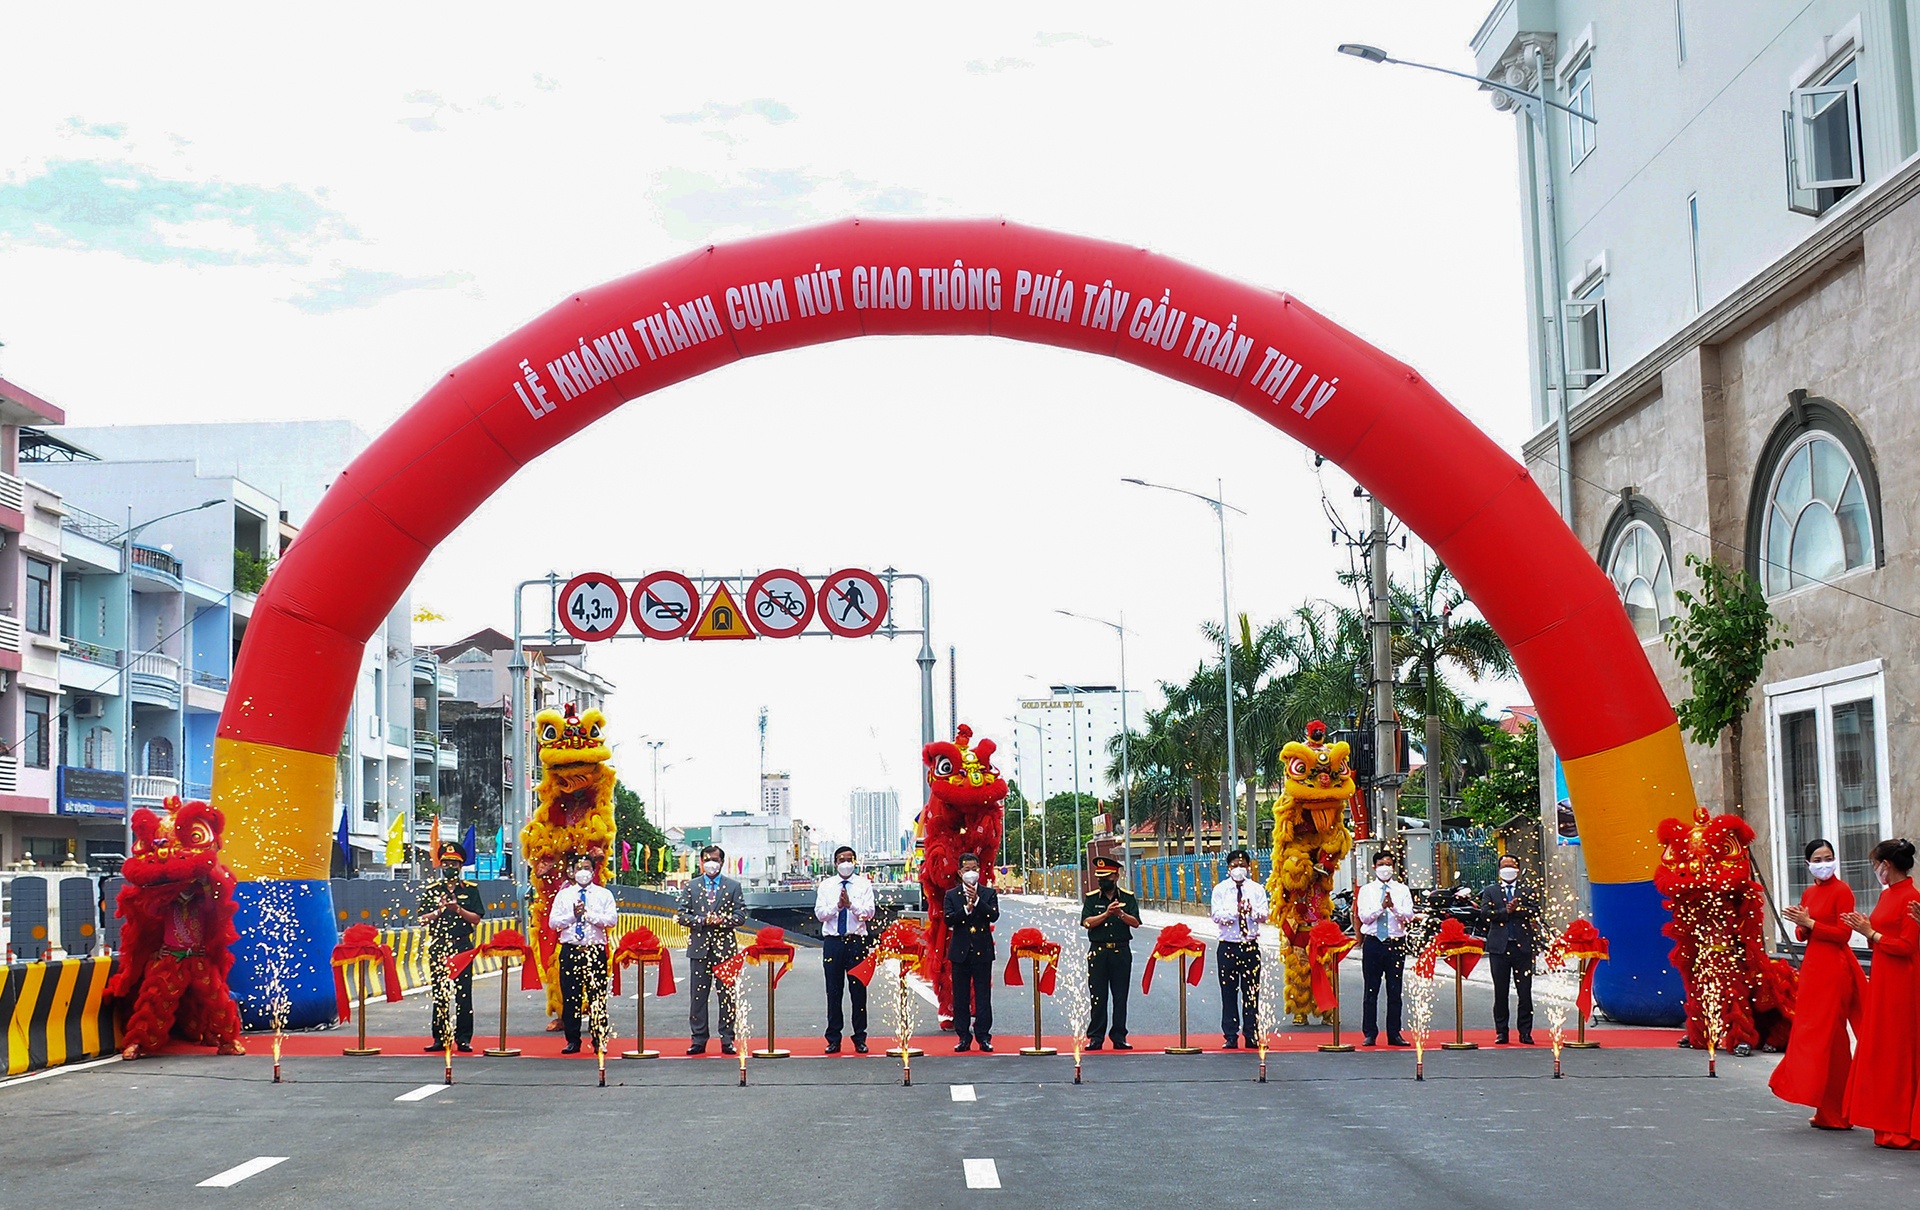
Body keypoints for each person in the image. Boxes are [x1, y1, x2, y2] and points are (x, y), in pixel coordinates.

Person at [1770, 838, 1866, 1130]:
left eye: (1828, 858)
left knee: (1833, 1038)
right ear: (1808, 864)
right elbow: (1803, 934)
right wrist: (1802, 923)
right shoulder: (1810, 891)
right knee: (1813, 1037)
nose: (1824, 864)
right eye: (1818, 859)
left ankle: (1839, 1110)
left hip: (1835, 969)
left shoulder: (1842, 891)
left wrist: (1810, 923)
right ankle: (1824, 1106)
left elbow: (1843, 935)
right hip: (1814, 968)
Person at [1841, 838, 1920, 1149]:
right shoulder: (1888, 895)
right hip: (1884, 977)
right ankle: (1885, 1120)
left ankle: (1902, 1124)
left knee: (1899, 1051)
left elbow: (1907, 946)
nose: (1875, 869)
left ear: (1885, 865)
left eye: (1875, 864)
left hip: (1902, 982)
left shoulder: (1911, 897)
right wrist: (1869, 931)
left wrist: (1870, 933)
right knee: (1883, 1049)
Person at [677, 844, 746, 1055]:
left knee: (727, 995)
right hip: (699, 948)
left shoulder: (733, 886)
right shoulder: (692, 886)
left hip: (725, 950)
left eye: (715, 860)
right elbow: (682, 915)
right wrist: (701, 920)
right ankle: (698, 1039)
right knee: (698, 996)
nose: (711, 863)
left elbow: (741, 916)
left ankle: (727, 1039)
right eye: (707, 859)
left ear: (722, 862)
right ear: (701, 862)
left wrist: (722, 921)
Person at [547, 854, 617, 1054]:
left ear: (593, 871)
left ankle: (599, 1038)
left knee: (597, 997)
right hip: (571, 950)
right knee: (571, 997)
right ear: (572, 872)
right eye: (579, 868)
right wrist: (573, 915)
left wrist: (587, 915)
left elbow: (611, 920)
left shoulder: (604, 894)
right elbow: (553, 922)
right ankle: (573, 1040)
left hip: (594, 950)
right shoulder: (564, 895)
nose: (583, 872)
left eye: (587, 868)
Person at [421, 840, 483, 1053]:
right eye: (446, 863)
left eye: (454, 864)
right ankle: (440, 1037)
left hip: (462, 946)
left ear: (460, 866)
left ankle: (463, 1038)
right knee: (440, 993)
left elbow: (476, 919)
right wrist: (438, 911)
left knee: (463, 994)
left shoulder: (470, 890)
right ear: (441, 865)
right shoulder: (432, 890)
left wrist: (458, 909)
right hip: (439, 945)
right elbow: (422, 919)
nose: (450, 868)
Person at [816, 844, 876, 1054]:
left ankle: (860, 1037)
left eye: (849, 859)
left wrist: (851, 906)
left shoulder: (863, 884)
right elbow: (820, 914)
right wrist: (838, 906)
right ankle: (833, 1038)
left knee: (858, 991)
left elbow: (869, 913)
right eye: (842, 860)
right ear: (835, 863)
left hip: (856, 942)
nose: (846, 863)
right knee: (833, 991)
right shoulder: (826, 886)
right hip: (833, 943)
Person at [1477, 853, 1540, 1045]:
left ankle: (1525, 1032)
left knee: (1525, 991)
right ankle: (1502, 1032)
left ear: (1518, 869)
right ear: (1499, 870)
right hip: (1499, 948)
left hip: (1522, 947)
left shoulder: (1527, 890)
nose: (1508, 869)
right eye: (1504, 866)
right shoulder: (1491, 891)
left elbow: (1535, 911)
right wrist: (1506, 911)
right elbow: (1485, 914)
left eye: (1511, 866)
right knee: (1500, 991)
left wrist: (1518, 909)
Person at [1210, 848, 1268, 1049]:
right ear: (1228, 868)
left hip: (1250, 946)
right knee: (1228, 991)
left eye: (1242, 865)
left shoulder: (1256, 889)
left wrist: (1251, 911)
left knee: (1251, 992)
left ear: (1249, 867)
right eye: (1234, 866)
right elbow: (1216, 915)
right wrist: (1236, 912)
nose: (1238, 869)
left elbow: (1264, 915)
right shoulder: (1220, 889)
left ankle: (1251, 1033)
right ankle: (1230, 1034)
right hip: (1228, 946)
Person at [1355, 851, 1415, 1047]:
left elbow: (1409, 916)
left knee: (1395, 990)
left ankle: (1394, 1033)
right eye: (1381, 864)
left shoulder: (1402, 890)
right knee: (1371, 990)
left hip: (1396, 943)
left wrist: (1393, 907)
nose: (1385, 868)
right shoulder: (1367, 890)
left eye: (1389, 864)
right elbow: (1364, 917)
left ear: (1394, 867)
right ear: (1374, 867)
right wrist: (1381, 907)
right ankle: (1370, 1033)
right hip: (1373, 943)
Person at [1082, 854, 1140, 1050]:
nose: (1102, 881)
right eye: (1099, 878)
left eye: (1106, 877)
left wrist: (1120, 914)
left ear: (1116, 876)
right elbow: (1087, 922)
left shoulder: (1127, 898)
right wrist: (1106, 914)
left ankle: (1119, 1036)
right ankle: (1096, 1037)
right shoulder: (1092, 898)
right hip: (1098, 952)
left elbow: (1136, 922)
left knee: (1120, 996)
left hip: (1120, 951)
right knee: (1097, 996)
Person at [943, 852, 999, 1051]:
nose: (971, 873)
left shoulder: (988, 893)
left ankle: (983, 1036)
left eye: (974, 869)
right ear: (960, 872)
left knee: (983, 996)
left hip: (982, 950)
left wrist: (977, 902)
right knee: (961, 997)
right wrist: (966, 909)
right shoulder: (951, 895)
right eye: (967, 869)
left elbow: (993, 916)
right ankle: (963, 1037)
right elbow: (949, 919)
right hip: (960, 952)